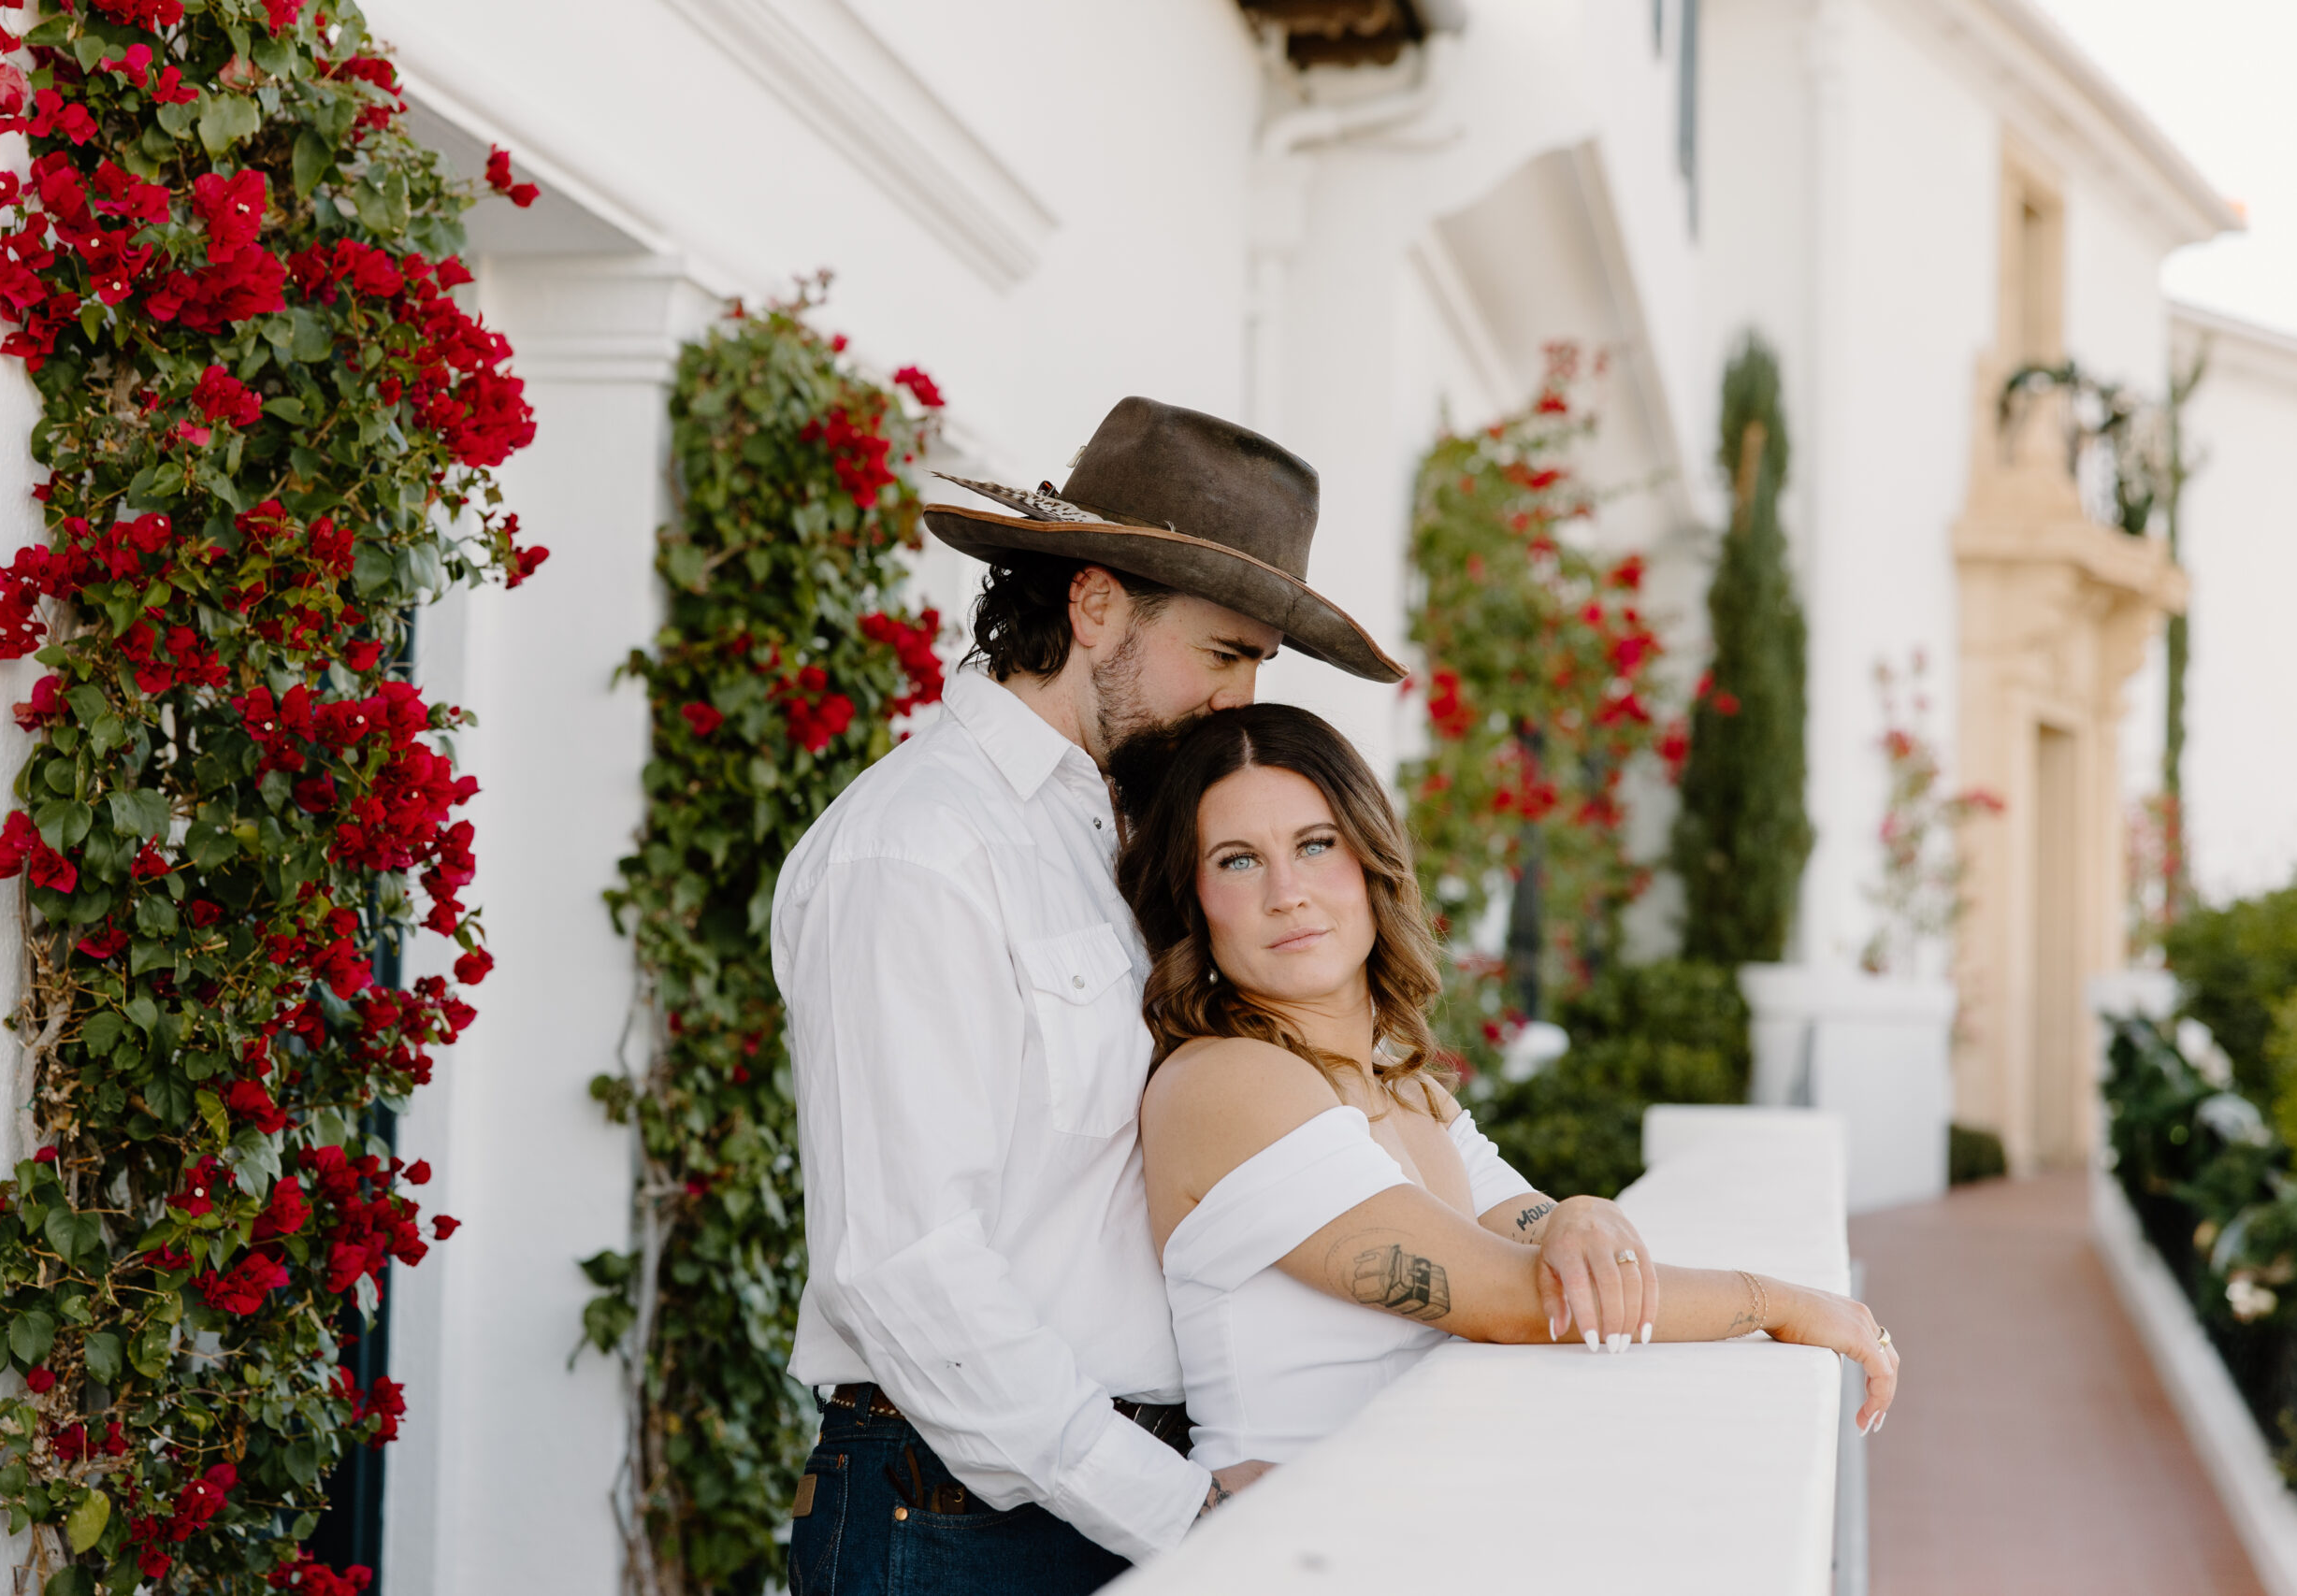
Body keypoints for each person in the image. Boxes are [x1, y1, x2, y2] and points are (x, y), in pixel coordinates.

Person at [773, 397, 1659, 1595]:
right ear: (1094, 607)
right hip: (966, 1523)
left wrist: (1560, 1218)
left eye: (1256, 665)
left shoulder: (1139, 837)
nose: (1238, 701)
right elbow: (903, 1262)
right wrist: (1178, 1511)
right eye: (1223, 653)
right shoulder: (920, 848)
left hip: (1136, 1495)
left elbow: (1342, 1102)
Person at [1114, 702, 1901, 1470]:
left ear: (1369, 858)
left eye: (1316, 844)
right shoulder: (1225, 1081)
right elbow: (1522, 1300)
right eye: (1238, 859)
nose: (1286, 891)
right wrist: (1784, 1305)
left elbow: (1548, 1239)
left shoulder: (1407, 1088)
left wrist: (1581, 1214)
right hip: (1292, 1549)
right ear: (1195, 901)